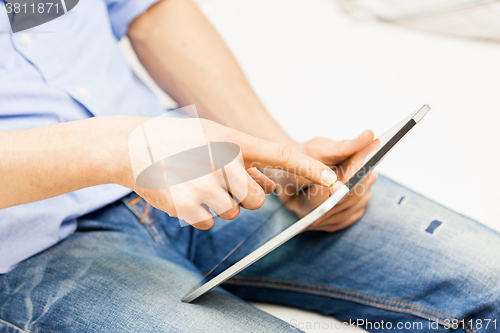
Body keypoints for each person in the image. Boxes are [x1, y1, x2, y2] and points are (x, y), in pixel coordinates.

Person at [0, 0, 498, 332]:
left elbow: (147, 11)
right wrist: (116, 146)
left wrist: (284, 162)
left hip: (184, 159)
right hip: (23, 245)